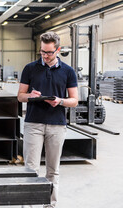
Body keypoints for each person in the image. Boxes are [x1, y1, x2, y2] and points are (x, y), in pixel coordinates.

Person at [17, 31, 78, 207]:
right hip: (33, 124)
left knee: (52, 170)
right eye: (42, 51)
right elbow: (20, 96)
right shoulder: (30, 68)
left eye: (49, 52)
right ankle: (28, 204)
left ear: (57, 50)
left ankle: (50, 204)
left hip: (57, 125)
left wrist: (60, 101)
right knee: (30, 169)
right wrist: (31, 95)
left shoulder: (68, 71)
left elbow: (74, 101)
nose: (45, 55)